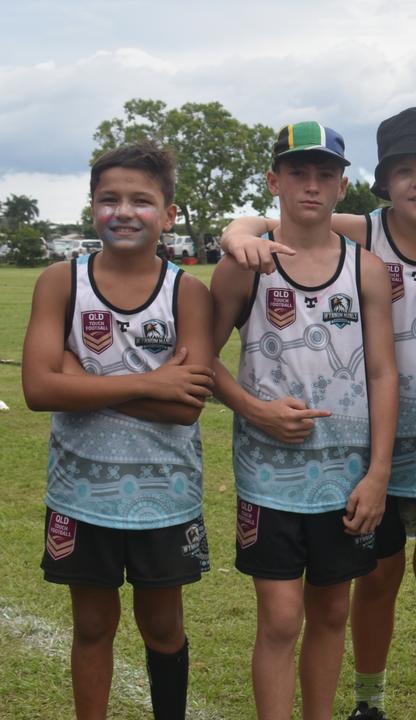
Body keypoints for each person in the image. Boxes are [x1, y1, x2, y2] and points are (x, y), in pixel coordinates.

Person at [221, 108, 416, 720]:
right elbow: (274, 219)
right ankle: (368, 703)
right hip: (339, 462)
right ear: (381, 180)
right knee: (368, 584)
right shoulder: (365, 232)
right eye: (405, 170)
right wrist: (239, 231)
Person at [209, 121, 398, 720]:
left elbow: (382, 375)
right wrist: (254, 410)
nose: (310, 185)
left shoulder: (366, 269)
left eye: (324, 174)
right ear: (274, 180)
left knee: (332, 613)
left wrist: (378, 474)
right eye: (297, 172)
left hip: (344, 480)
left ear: (344, 186)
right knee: (282, 617)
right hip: (268, 476)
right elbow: (199, 361)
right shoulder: (247, 265)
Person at [21, 142, 214, 720]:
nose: (123, 211)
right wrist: (152, 383)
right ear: (91, 206)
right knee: (92, 625)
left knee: (162, 627)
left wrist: (81, 379)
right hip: (83, 494)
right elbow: (38, 390)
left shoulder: (187, 292)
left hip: (165, 496)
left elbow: (187, 406)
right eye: (109, 199)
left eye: (141, 200)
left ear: (170, 214)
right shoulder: (61, 281)